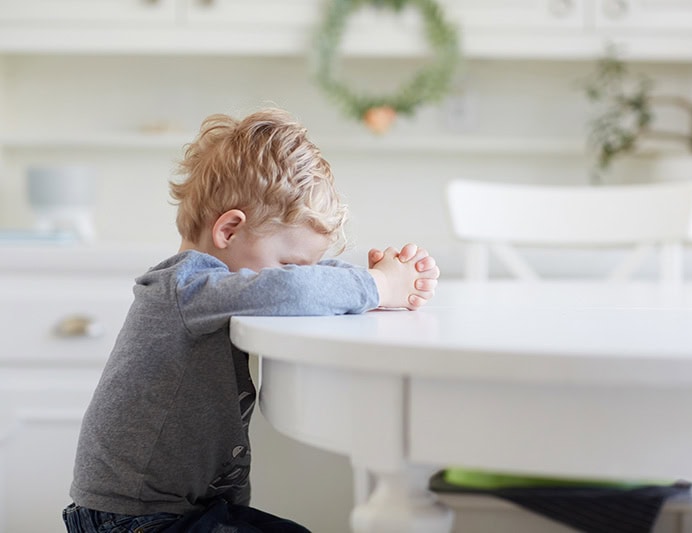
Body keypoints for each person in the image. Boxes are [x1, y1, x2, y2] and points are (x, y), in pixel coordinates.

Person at [63, 107, 440, 532]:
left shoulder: (211, 289)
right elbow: (289, 290)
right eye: (289, 262)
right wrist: (377, 286)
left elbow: (291, 285)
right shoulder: (187, 287)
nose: (295, 273)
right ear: (229, 230)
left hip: (175, 511)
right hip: (134, 520)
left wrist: (366, 283)